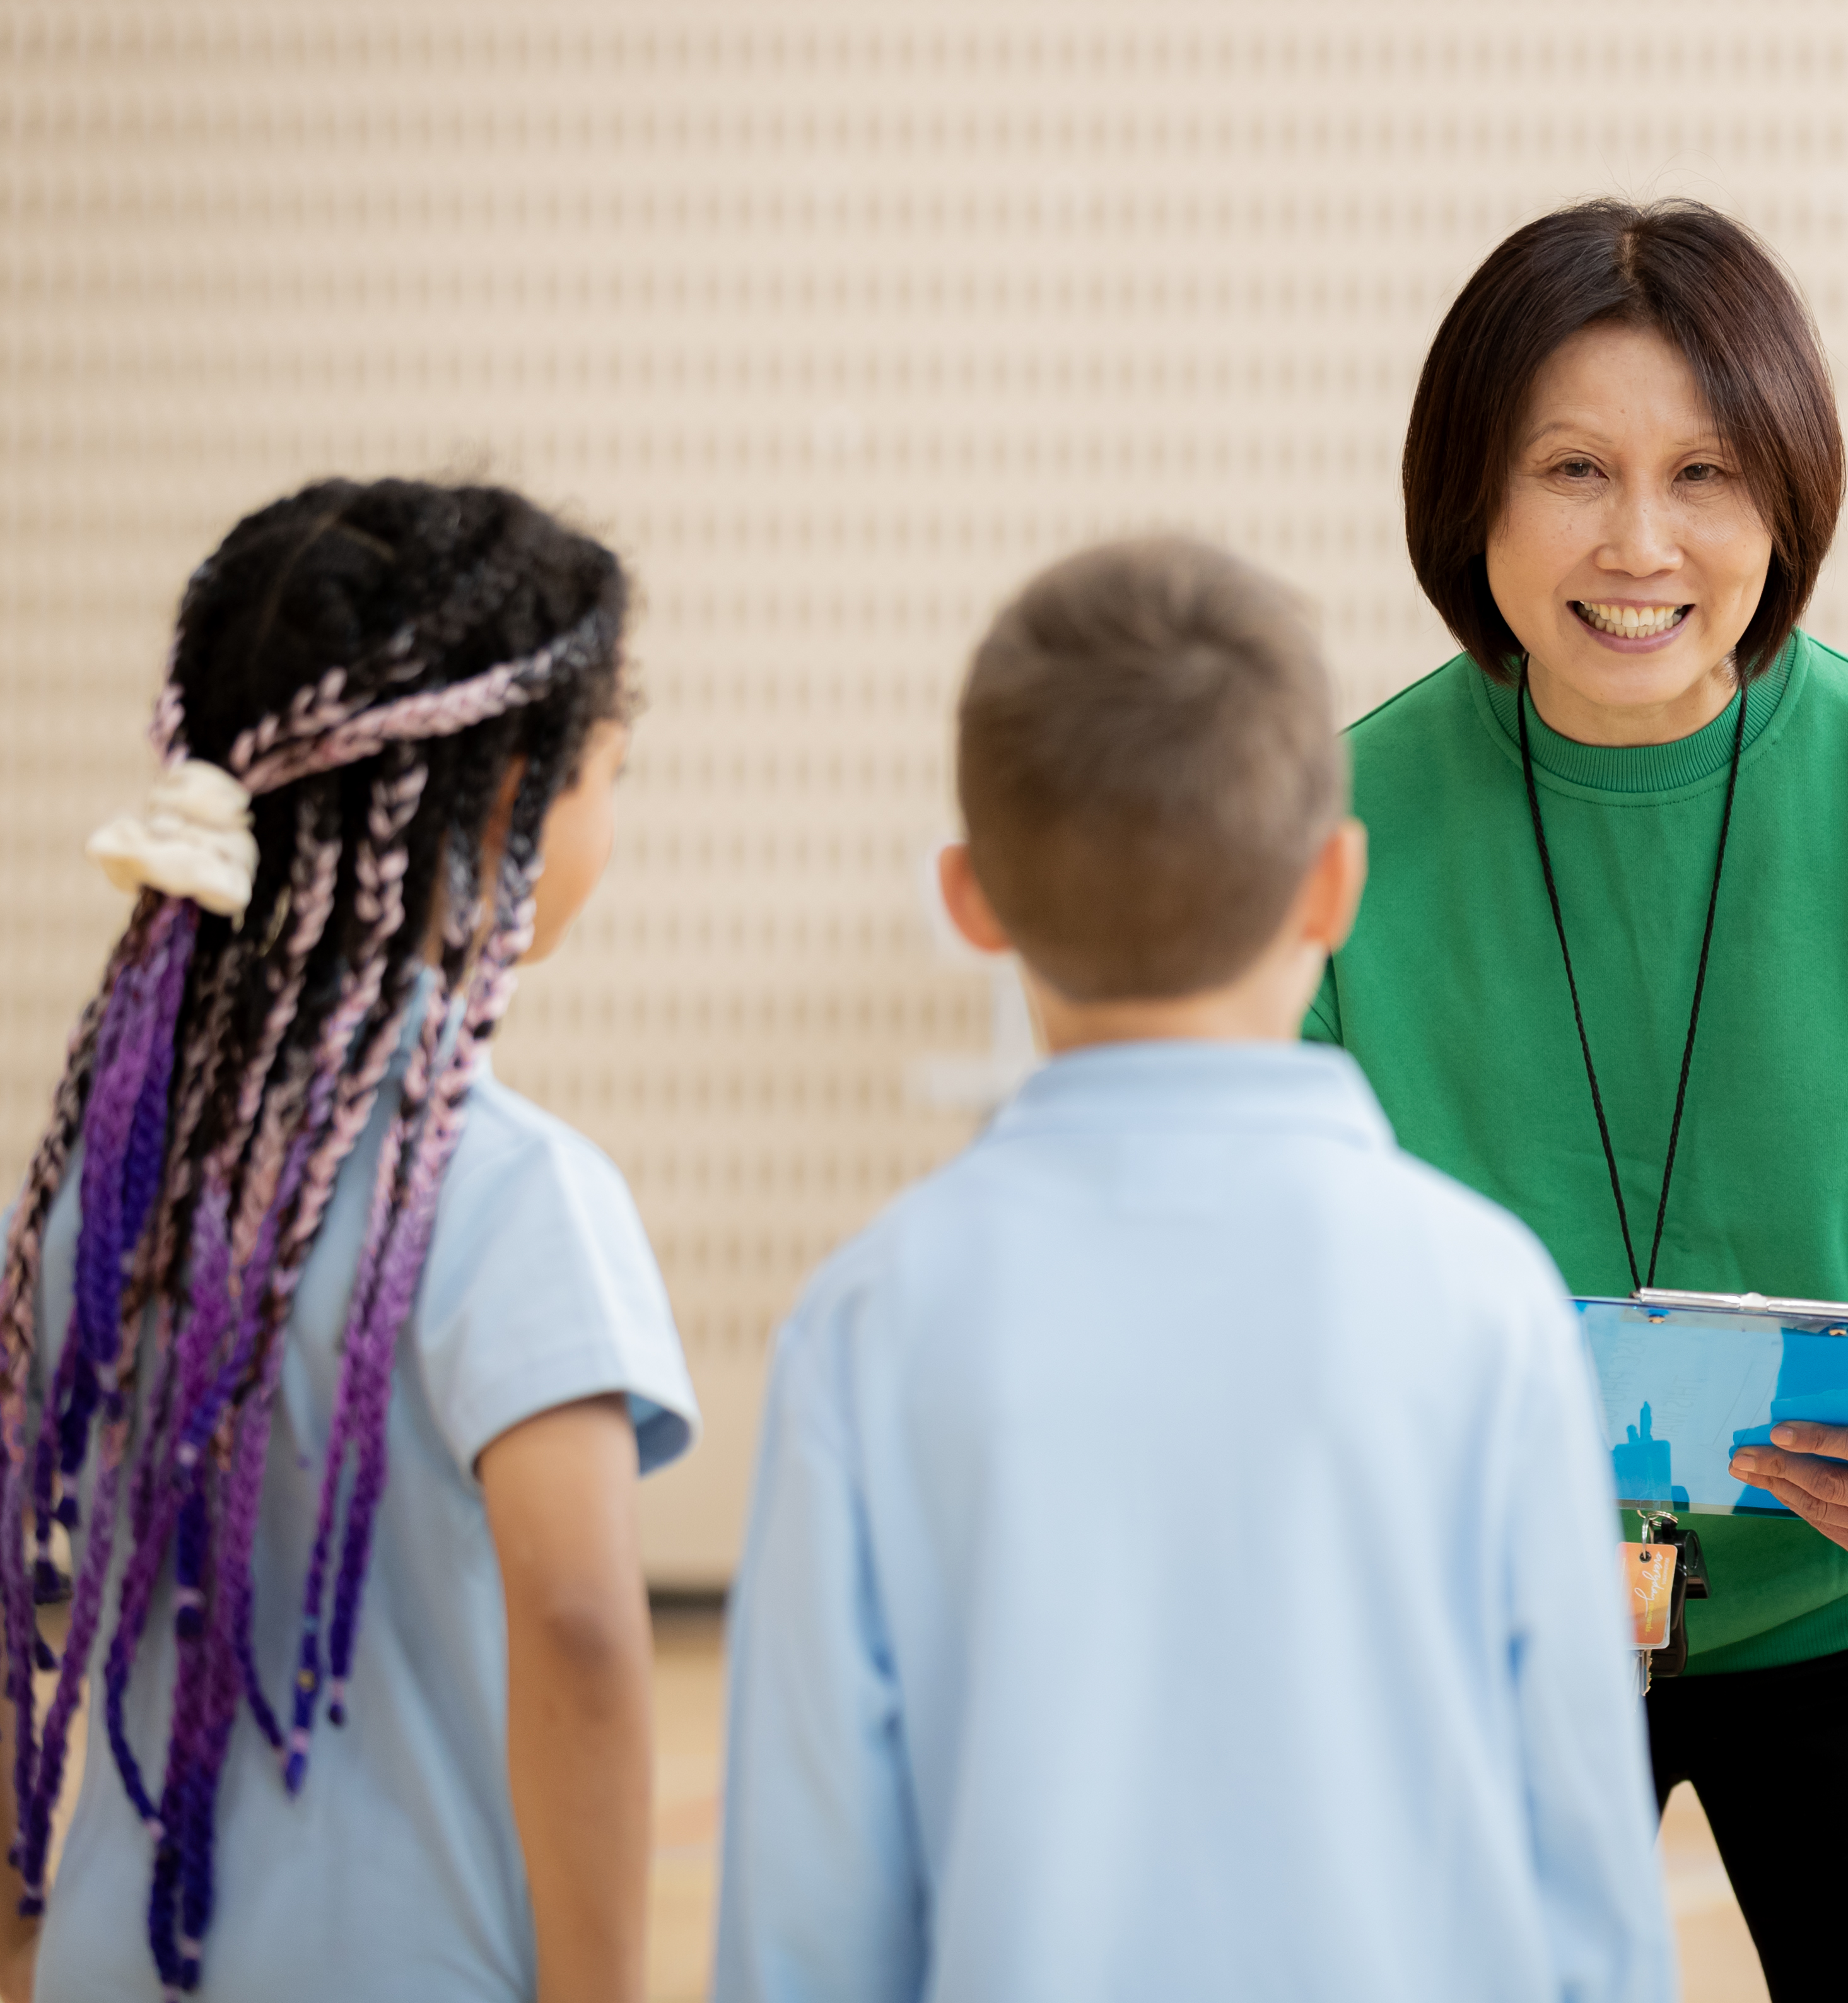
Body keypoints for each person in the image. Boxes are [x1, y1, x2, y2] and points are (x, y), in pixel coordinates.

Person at [1306, 198, 1848, 1997]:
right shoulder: (1341, 829)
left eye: (1705, 473)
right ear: (1471, 492)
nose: (1640, 543)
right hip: (1480, 1609)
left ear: (1790, 496)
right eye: (1572, 469)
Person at [713, 536, 1670, 2002]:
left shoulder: (872, 1320)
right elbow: (1587, 1857)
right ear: (1337, 886)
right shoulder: (1487, 1303)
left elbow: (811, 1893)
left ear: (969, 900)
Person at [3, 479, 696, 2003]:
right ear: (518, 800)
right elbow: (580, 1623)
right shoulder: (514, 1193)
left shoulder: (87, 1192)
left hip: (123, 1962)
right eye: (613, 774)